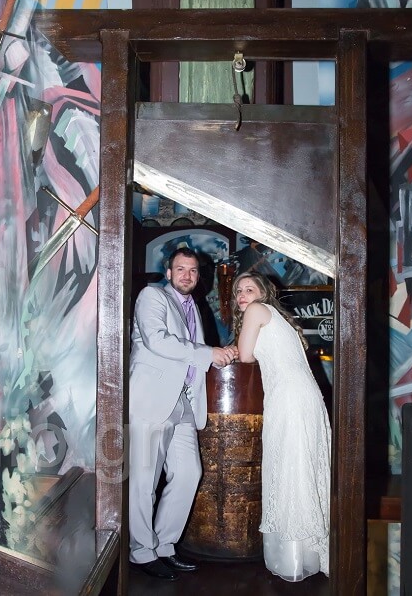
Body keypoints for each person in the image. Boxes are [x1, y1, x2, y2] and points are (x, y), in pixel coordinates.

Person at [128, 247, 236, 580]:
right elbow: (157, 340)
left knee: (189, 473)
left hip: (184, 401)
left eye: (192, 270)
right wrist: (209, 353)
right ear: (169, 272)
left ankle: (164, 545)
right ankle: (141, 552)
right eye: (180, 269)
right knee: (144, 480)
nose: (187, 275)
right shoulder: (152, 296)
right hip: (152, 398)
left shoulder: (194, 306)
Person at [232, 271, 331, 581]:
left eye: (249, 289)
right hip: (302, 396)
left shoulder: (256, 310)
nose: (242, 295)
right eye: (238, 291)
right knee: (299, 467)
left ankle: (294, 559)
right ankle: (308, 552)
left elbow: (245, 355)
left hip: (289, 398)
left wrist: (232, 349)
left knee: (290, 468)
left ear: (263, 292)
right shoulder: (275, 316)